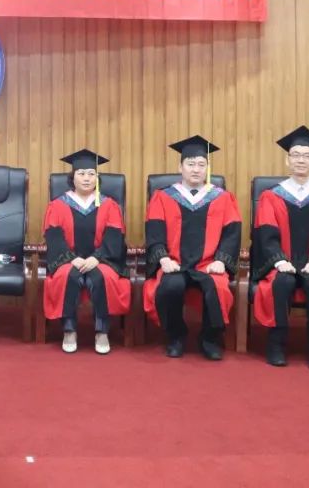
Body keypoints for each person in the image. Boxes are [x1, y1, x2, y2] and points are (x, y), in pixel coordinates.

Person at [251, 126, 309, 369]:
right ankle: (276, 345)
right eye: (296, 155)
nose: (301, 160)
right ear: (287, 160)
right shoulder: (271, 196)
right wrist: (280, 260)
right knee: (281, 282)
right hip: (282, 262)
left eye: (307, 155)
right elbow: (266, 234)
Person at [143, 135, 241, 360]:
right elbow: (154, 231)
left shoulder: (223, 198)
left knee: (218, 288)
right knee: (170, 286)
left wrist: (221, 260)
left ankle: (209, 338)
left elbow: (232, 233)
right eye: (190, 164)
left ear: (207, 168)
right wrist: (163, 258)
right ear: (180, 167)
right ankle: (175, 336)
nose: (196, 169)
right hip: (174, 263)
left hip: (209, 264)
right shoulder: (162, 197)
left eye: (201, 164)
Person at [42, 149, 130, 355]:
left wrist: (96, 258)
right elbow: (54, 237)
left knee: (101, 277)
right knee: (68, 276)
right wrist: (71, 259)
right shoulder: (58, 205)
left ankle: (102, 331)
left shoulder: (109, 205)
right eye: (81, 174)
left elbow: (114, 237)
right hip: (67, 260)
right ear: (72, 177)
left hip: (102, 260)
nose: (87, 178)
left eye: (91, 174)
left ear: (97, 178)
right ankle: (69, 329)